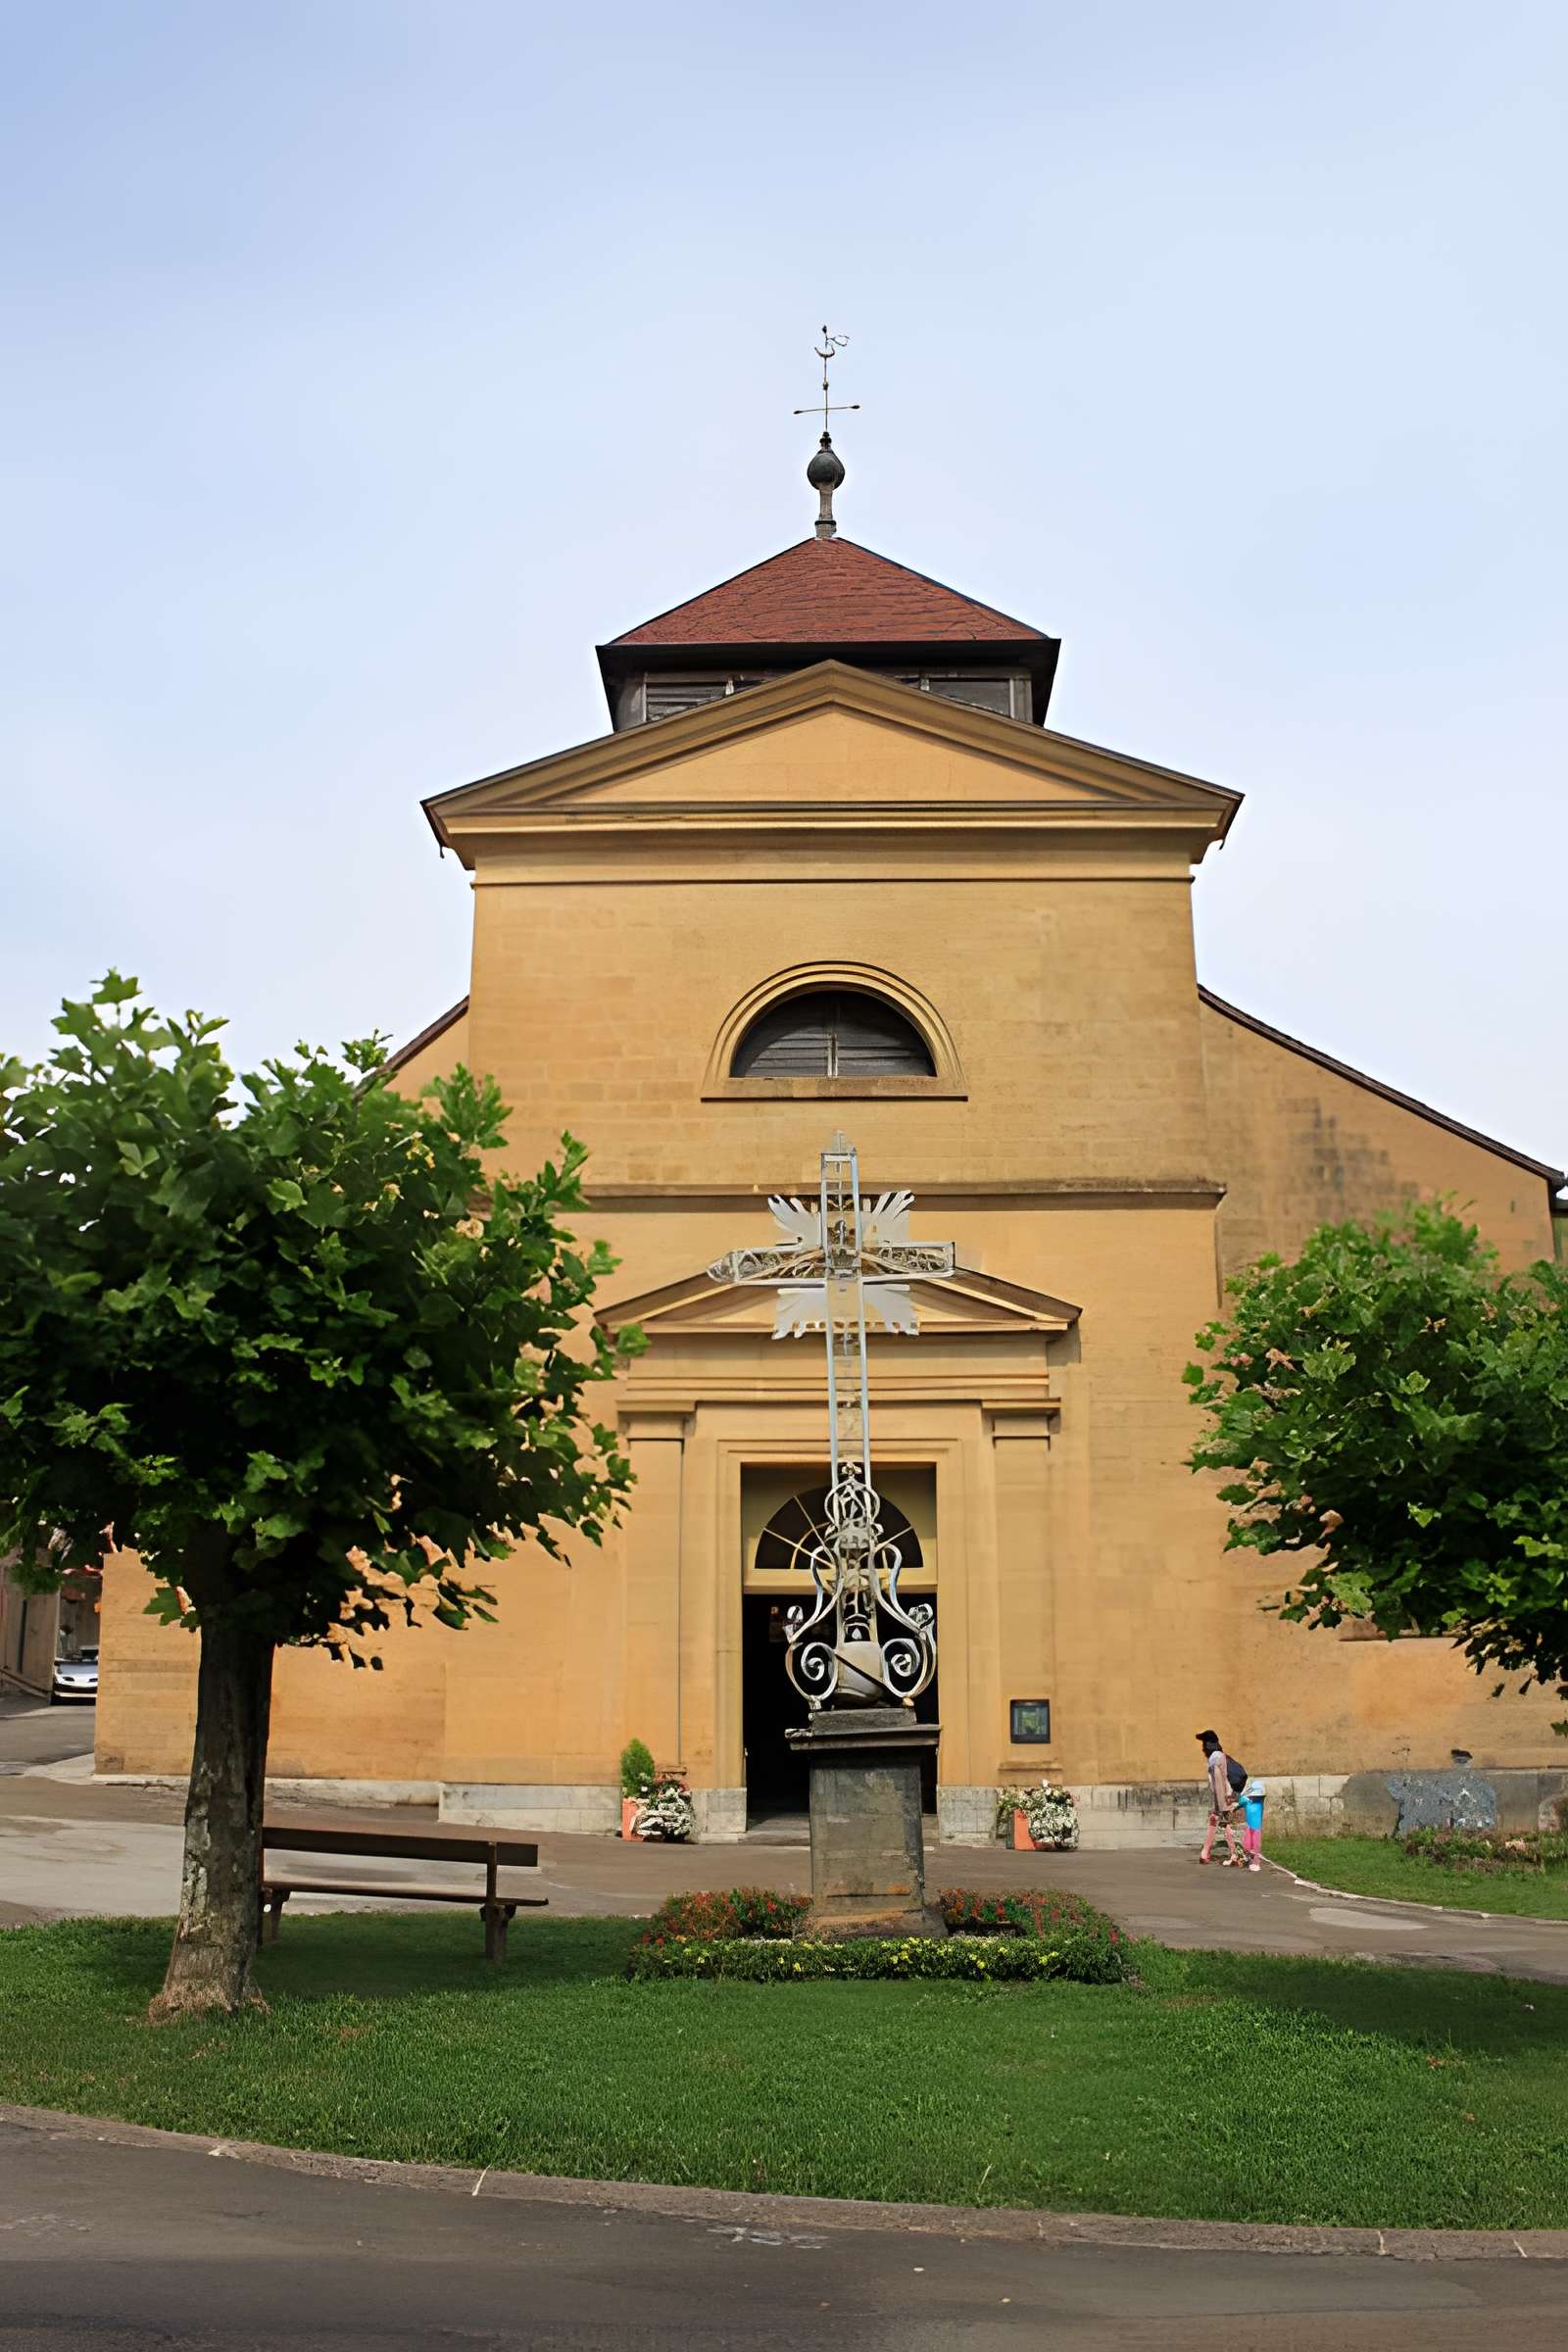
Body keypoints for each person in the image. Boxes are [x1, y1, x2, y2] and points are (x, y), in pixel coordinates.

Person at [1196, 1729, 1244, 1866]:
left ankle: (1232, 1855)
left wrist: (1219, 1804)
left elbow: (1218, 1782)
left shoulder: (1215, 1758)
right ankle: (1206, 1853)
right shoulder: (1220, 1756)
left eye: (1204, 1743)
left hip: (1222, 1797)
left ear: (1208, 1745)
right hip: (1224, 1796)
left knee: (1222, 1821)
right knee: (1218, 1820)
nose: (1202, 1747)